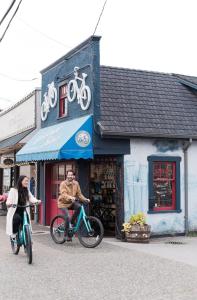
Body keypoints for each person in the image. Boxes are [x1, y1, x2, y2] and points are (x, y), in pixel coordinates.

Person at [58, 169, 90, 240]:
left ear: (73, 176)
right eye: (69, 175)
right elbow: (63, 194)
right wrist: (70, 197)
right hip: (63, 203)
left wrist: (85, 199)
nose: (70, 176)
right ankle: (66, 235)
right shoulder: (63, 184)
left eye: (71, 175)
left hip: (71, 203)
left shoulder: (76, 183)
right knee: (67, 217)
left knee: (79, 207)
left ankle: (71, 222)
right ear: (67, 175)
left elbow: (79, 194)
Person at [6, 175, 41, 240]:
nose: (27, 182)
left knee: (27, 223)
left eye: (27, 181)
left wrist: (36, 201)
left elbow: (31, 198)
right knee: (17, 218)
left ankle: (28, 242)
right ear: (20, 181)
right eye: (25, 181)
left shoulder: (26, 190)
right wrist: (9, 203)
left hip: (24, 209)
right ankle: (14, 233)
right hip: (15, 210)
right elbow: (9, 200)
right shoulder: (13, 190)